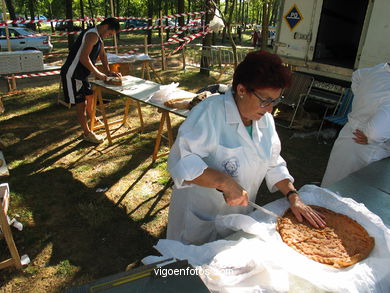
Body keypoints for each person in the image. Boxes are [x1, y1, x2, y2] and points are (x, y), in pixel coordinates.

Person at [167, 51, 326, 245]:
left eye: (275, 101)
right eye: (265, 100)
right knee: (189, 269)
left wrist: (293, 196)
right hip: (201, 215)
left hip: (238, 213)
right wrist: (224, 181)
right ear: (242, 90)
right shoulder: (209, 112)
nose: (270, 109)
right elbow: (181, 163)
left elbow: (273, 161)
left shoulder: (264, 119)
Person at [321, 63, 390, 187]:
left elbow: (356, 75)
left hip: (348, 134)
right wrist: (369, 136)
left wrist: (361, 102)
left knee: (332, 181)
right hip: (364, 146)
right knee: (349, 190)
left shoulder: (378, 69)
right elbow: (376, 132)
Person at [60, 17, 121, 144]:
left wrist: (108, 71)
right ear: (106, 26)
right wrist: (98, 73)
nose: (108, 36)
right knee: (81, 105)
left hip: (82, 75)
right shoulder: (92, 35)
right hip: (72, 74)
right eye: (109, 33)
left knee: (90, 97)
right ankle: (87, 134)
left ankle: (92, 121)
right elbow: (84, 58)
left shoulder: (99, 37)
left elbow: (103, 55)